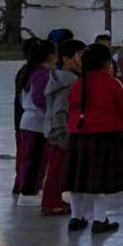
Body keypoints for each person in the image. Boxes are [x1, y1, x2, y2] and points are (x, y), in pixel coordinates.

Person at [63, 42, 123, 233]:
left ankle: (76, 218)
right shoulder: (112, 84)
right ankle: (100, 220)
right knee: (100, 182)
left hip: (78, 137)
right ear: (107, 63)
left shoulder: (77, 84)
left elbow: (71, 109)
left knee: (77, 180)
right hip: (105, 137)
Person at [41, 38, 86, 216]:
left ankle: (53, 200)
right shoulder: (70, 82)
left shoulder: (57, 77)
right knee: (57, 170)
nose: (84, 61)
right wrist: (63, 135)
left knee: (55, 168)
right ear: (67, 59)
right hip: (62, 133)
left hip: (53, 130)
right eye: (81, 56)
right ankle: (51, 203)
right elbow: (60, 111)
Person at [14, 39, 57, 206]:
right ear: (51, 56)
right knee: (35, 160)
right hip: (36, 123)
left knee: (31, 159)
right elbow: (40, 98)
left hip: (29, 122)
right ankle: (28, 194)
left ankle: (29, 191)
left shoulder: (31, 71)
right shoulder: (43, 74)